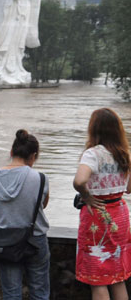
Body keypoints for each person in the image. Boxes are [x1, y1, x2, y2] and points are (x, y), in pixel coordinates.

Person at [73, 108, 131, 300]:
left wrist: (87, 196)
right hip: (120, 215)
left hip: (97, 215)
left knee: (97, 279)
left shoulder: (93, 154)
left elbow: (79, 181)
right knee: (117, 276)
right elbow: (129, 189)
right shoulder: (124, 154)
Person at [0, 130, 50, 300]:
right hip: (35, 239)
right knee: (40, 292)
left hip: (5, 241)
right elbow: (42, 205)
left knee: (11, 293)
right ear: (33, 156)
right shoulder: (40, 178)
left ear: (11, 152)